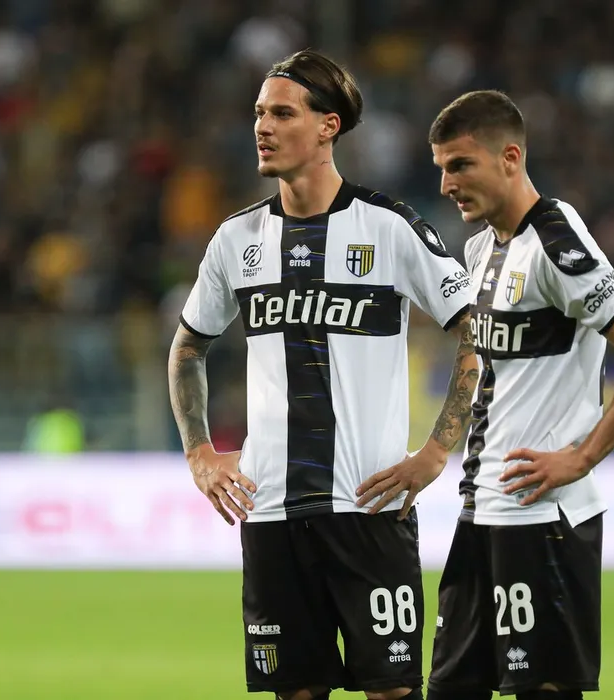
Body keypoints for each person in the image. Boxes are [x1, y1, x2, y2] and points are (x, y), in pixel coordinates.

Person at [167, 49, 478, 700]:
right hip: (271, 511)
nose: (263, 126)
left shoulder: (389, 227)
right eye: (259, 113)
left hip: (368, 507)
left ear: (328, 126)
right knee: (296, 692)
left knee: (392, 691)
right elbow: (188, 347)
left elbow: (478, 334)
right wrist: (199, 453)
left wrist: (436, 452)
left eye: (282, 113)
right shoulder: (236, 239)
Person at [410, 90, 614, 700]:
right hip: (482, 510)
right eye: (442, 169)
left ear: (510, 157)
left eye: (461, 165)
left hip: (543, 520)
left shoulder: (555, 243)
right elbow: (480, 361)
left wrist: (582, 457)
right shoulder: (482, 247)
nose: (447, 184)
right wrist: (436, 449)